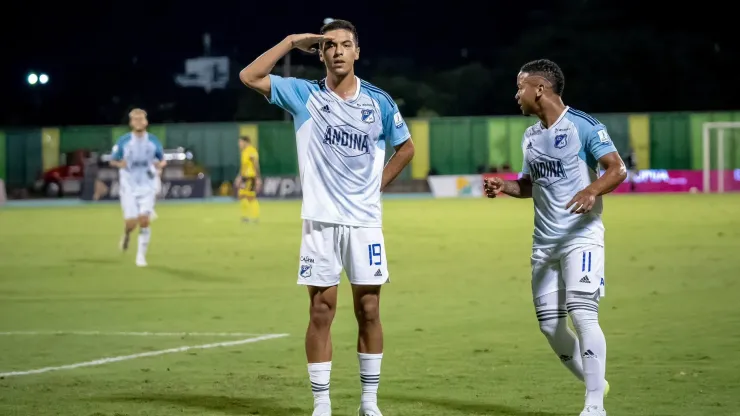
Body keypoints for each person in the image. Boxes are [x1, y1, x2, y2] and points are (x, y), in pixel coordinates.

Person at [239, 19, 415, 416]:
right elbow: (250, 75)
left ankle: (369, 403)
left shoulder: (379, 102)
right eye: (329, 45)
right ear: (320, 54)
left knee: (369, 309)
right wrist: (288, 41)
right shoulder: (303, 94)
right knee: (321, 310)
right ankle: (322, 404)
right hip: (319, 221)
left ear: (357, 52)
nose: (337, 50)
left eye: (345, 44)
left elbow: (405, 148)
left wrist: (378, 185)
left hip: (365, 222)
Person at [484, 59, 627, 416]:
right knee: (550, 326)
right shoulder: (530, 136)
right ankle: (596, 381)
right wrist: (504, 186)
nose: (516, 94)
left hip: (582, 235)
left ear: (540, 89)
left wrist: (592, 191)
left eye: (520, 87)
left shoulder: (583, 126)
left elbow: (616, 168)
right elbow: (531, 185)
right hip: (544, 243)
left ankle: (594, 406)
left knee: (583, 313)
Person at [110, 108, 166, 267]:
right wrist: (120, 163)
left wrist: (159, 165)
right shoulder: (124, 141)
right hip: (128, 185)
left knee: (144, 220)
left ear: (146, 122)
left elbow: (162, 160)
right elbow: (113, 160)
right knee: (131, 223)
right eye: (135, 119)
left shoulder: (153, 141)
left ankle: (141, 256)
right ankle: (127, 234)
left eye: (141, 119)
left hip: (147, 184)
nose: (139, 122)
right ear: (131, 123)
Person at [234, 136, 262, 222]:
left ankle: (255, 216)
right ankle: (245, 216)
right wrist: (239, 177)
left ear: (246, 142)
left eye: (240, 142)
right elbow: (243, 166)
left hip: (250, 177)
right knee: (242, 195)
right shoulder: (244, 152)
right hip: (244, 177)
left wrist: (258, 178)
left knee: (250, 197)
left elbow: (256, 165)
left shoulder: (251, 151)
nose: (239, 144)